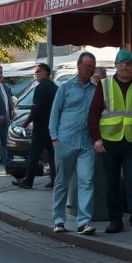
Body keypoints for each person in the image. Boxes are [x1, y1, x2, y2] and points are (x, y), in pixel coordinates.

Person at [89, 48, 132, 236]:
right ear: (116, 66)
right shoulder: (105, 85)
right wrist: (96, 138)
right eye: (122, 64)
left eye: (128, 64)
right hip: (109, 142)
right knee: (112, 183)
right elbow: (94, 112)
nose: (125, 67)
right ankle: (115, 220)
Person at [48, 51, 98, 235]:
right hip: (65, 142)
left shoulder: (96, 89)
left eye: (92, 66)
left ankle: (84, 222)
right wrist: (54, 138)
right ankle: (59, 220)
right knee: (62, 182)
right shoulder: (65, 87)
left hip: (86, 144)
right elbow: (54, 113)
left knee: (87, 181)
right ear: (78, 66)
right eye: (87, 66)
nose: (90, 69)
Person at [12, 63, 57, 190]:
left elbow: (35, 109)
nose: (36, 74)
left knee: (34, 155)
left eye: (38, 72)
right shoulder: (55, 88)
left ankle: (28, 181)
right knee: (52, 155)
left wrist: (26, 123)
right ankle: (54, 179)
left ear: (44, 73)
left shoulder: (40, 88)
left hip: (41, 127)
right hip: (52, 127)